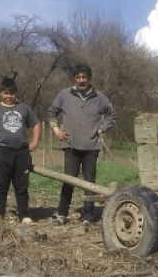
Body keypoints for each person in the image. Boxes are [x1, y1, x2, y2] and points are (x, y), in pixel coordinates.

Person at [47, 63, 117, 226]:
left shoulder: (100, 98)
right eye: (78, 77)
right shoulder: (64, 95)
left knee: (89, 182)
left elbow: (111, 115)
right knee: (68, 181)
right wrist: (56, 130)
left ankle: (88, 215)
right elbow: (51, 112)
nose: (81, 80)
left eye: (84, 77)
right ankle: (62, 213)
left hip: (91, 147)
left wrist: (101, 129)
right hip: (70, 145)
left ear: (89, 78)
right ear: (74, 78)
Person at [0, 77, 42, 224]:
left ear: (17, 93)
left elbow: (36, 124)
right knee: (2, 185)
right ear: (0, 93)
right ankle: (0, 215)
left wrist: (35, 141)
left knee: (21, 185)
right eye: (6, 93)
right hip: (2, 151)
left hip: (22, 151)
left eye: (12, 94)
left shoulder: (24, 108)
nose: (9, 97)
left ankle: (24, 215)